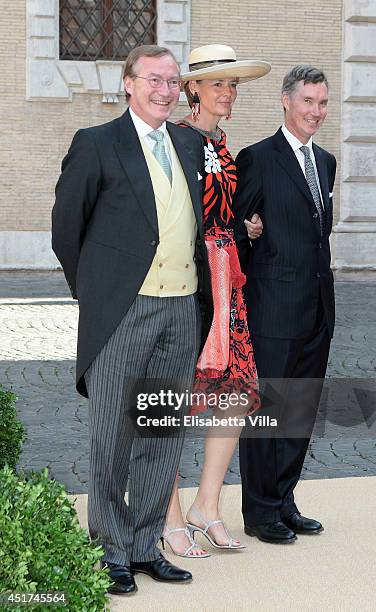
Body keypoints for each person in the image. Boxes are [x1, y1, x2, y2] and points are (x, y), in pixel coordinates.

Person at [52, 45, 214, 595]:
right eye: (154, 80)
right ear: (128, 83)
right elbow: (65, 228)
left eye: (173, 81)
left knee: (161, 432)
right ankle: (110, 550)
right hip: (124, 311)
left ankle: (147, 546)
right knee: (112, 436)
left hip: (181, 308)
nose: (165, 90)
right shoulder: (96, 143)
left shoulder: (192, 143)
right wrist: (98, 295)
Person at [161, 44, 270, 558]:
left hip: (227, 279)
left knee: (234, 393)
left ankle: (207, 506)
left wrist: (241, 230)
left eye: (234, 85)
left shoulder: (222, 144)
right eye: (219, 84)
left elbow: (219, 212)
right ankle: (170, 515)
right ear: (194, 89)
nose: (229, 93)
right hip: (190, 281)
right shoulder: (176, 140)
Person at [234, 65, 337, 544]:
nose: (316, 112)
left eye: (322, 102)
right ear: (285, 101)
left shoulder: (328, 163)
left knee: (299, 410)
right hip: (272, 307)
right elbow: (236, 232)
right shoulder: (257, 158)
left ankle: (285, 499)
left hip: (318, 307)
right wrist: (249, 233)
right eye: (308, 102)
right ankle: (259, 511)